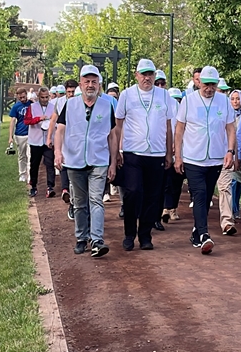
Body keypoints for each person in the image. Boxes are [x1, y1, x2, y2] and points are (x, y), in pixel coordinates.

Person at [54, 65, 119, 258]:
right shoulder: (71, 104)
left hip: (98, 160)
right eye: (87, 81)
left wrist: (113, 162)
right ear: (81, 83)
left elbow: (112, 136)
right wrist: (58, 152)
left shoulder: (107, 105)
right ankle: (81, 238)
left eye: (94, 81)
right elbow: (60, 130)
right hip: (74, 160)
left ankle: (97, 239)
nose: (90, 85)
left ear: (99, 84)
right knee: (80, 202)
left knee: (96, 200)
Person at [174, 66, 236, 254]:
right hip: (193, 157)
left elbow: (231, 128)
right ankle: (204, 235)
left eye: (212, 85)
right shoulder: (188, 101)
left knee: (208, 195)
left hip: (216, 158)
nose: (209, 89)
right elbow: (179, 130)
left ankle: (196, 230)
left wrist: (230, 151)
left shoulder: (224, 102)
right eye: (206, 85)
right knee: (200, 193)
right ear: (198, 82)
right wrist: (178, 156)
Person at [115, 59, 175, 251]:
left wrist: (168, 152)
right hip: (133, 152)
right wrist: (117, 150)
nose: (147, 78)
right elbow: (118, 125)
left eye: (150, 74)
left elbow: (167, 126)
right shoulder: (127, 95)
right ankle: (129, 233)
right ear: (137, 75)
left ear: (155, 76)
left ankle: (145, 236)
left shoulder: (164, 96)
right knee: (132, 192)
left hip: (156, 153)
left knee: (152, 196)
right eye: (144, 74)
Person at [217, 89, 241, 232]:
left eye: (237, 99)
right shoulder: (218, 111)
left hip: (228, 156)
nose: (235, 101)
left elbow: (233, 134)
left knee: (226, 186)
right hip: (209, 157)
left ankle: (228, 221)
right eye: (232, 99)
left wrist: (235, 155)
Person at [51, 79, 79, 214]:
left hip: (83, 147)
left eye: (74, 91)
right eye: (69, 92)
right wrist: (50, 139)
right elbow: (55, 121)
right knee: (67, 170)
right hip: (66, 142)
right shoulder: (62, 103)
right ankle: (69, 198)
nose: (71, 94)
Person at [24, 86, 56, 198]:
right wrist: (38, 119)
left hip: (48, 140)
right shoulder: (32, 107)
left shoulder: (53, 107)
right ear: (38, 97)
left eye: (47, 97)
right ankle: (33, 186)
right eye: (42, 97)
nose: (45, 99)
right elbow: (27, 121)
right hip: (35, 140)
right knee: (34, 164)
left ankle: (50, 186)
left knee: (50, 164)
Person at [162, 87, 186, 223]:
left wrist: (175, 146)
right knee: (164, 182)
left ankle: (173, 208)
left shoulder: (178, 106)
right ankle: (165, 208)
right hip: (161, 149)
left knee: (176, 181)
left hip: (177, 150)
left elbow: (181, 127)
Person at [7, 87, 31, 183]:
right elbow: (12, 121)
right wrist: (10, 136)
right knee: (22, 155)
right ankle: (22, 173)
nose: (22, 99)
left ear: (26, 94)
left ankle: (29, 175)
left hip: (30, 133)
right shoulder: (16, 107)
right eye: (20, 98)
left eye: (24, 97)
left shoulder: (32, 104)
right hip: (20, 134)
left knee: (30, 155)